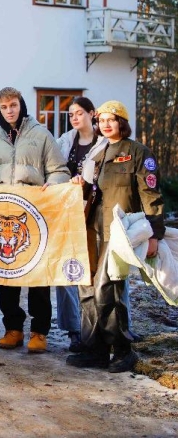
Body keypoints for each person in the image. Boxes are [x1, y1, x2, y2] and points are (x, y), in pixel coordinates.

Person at [67, 101, 164, 373]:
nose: (106, 125)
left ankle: (122, 349)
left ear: (122, 121)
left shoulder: (138, 153)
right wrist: (80, 185)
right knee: (86, 287)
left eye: (112, 119)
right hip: (92, 228)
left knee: (109, 289)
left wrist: (155, 234)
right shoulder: (98, 153)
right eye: (102, 120)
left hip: (118, 232)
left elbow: (152, 196)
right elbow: (91, 192)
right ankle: (94, 348)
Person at [0, 87, 70, 354]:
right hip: (5, 213)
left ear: (21, 106)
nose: (10, 110)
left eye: (14, 105)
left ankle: (39, 331)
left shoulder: (41, 134)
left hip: (34, 214)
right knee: (8, 274)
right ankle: (13, 328)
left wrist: (51, 184)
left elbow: (60, 170)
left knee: (37, 275)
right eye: (4, 106)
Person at [55, 96, 100, 353]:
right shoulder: (65, 143)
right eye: (71, 113)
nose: (74, 117)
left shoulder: (103, 143)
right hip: (69, 214)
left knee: (98, 270)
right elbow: (56, 171)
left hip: (95, 213)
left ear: (91, 114)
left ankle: (105, 324)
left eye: (79, 112)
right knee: (67, 270)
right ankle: (73, 329)